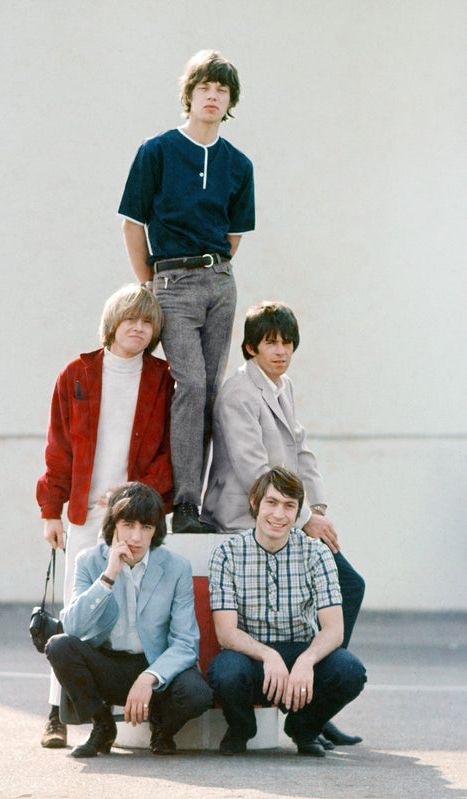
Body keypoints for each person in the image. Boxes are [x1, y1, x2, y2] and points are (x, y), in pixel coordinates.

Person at [202, 300, 365, 745]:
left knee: (349, 585)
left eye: (287, 342)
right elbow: (255, 469)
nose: (281, 350)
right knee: (348, 584)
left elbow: (300, 450)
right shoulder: (238, 393)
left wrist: (319, 509)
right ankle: (307, 695)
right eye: (271, 342)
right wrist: (304, 518)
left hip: (286, 513)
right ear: (251, 346)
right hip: (246, 514)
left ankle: (313, 690)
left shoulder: (282, 384)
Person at [118, 49, 255, 533]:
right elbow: (133, 224)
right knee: (190, 384)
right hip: (171, 282)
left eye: (222, 90)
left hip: (218, 282)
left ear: (230, 100)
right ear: (190, 95)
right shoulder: (156, 151)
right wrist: (148, 284)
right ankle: (183, 502)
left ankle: (206, 503)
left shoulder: (238, 164)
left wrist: (215, 270)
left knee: (213, 392)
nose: (213, 97)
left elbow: (235, 235)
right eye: (205, 89)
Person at [36, 284, 173, 749]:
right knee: (75, 615)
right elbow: (58, 447)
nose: (139, 327)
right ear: (113, 322)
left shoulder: (162, 379)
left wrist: (139, 493)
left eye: (148, 321)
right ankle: (56, 713)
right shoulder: (77, 373)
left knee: (133, 608)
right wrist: (50, 510)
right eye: (131, 319)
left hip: (133, 515)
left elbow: (167, 453)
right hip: (81, 515)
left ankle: (134, 705)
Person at [46, 482, 213, 757]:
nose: (136, 537)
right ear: (114, 525)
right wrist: (108, 576)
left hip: (154, 665)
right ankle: (102, 726)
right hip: (108, 665)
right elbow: (73, 627)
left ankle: (162, 729)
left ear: (156, 530)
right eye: (128, 524)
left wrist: (150, 677)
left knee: (197, 692)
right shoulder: (89, 561)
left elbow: (186, 643)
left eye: (146, 527)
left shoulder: (176, 567)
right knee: (59, 645)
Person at [207, 468, 367, 756]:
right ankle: (242, 728)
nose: (279, 514)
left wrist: (306, 660)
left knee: (349, 670)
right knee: (225, 671)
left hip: (300, 651)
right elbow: (227, 633)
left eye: (289, 506)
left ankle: (304, 728)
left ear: (297, 513)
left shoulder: (316, 553)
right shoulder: (227, 553)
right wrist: (269, 655)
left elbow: (334, 630)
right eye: (272, 503)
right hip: (252, 658)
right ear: (255, 503)